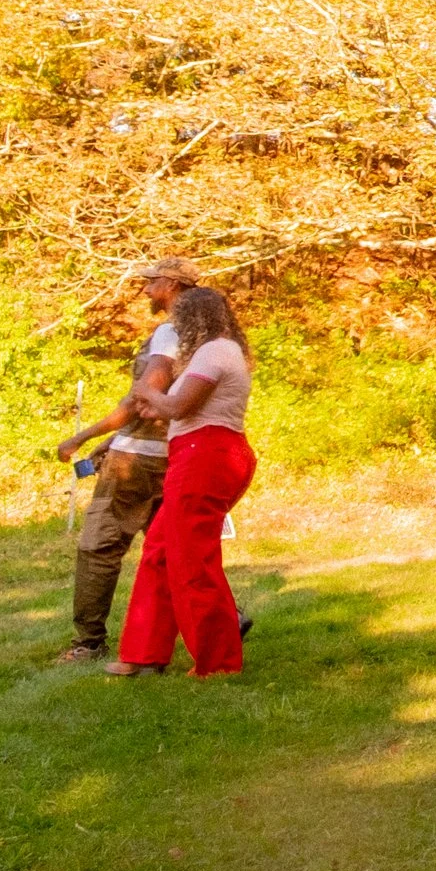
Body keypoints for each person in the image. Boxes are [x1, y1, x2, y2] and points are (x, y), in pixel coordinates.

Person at [110, 284, 257, 678]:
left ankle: (219, 661)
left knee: (193, 560)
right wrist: (157, 406)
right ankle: (143, 654)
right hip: (197, 452)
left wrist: (144, 390)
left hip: (206, 456)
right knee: (159, 551)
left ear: (194, 318)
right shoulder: (219, 353)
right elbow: (176, 410)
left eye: (180, 320)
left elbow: (177, 405)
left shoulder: (214, 351)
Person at [53, 255, 194, 664]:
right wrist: (115, 437)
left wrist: (82, 436)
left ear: (171, 284)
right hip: (179, 455)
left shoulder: (170, 332)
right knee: (175, 549)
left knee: (98, 548)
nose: (146, 291)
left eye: (152, 283)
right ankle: (225, 618)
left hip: (137, 464)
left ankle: (88, 644)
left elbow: (142, 398)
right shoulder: (210, 334)